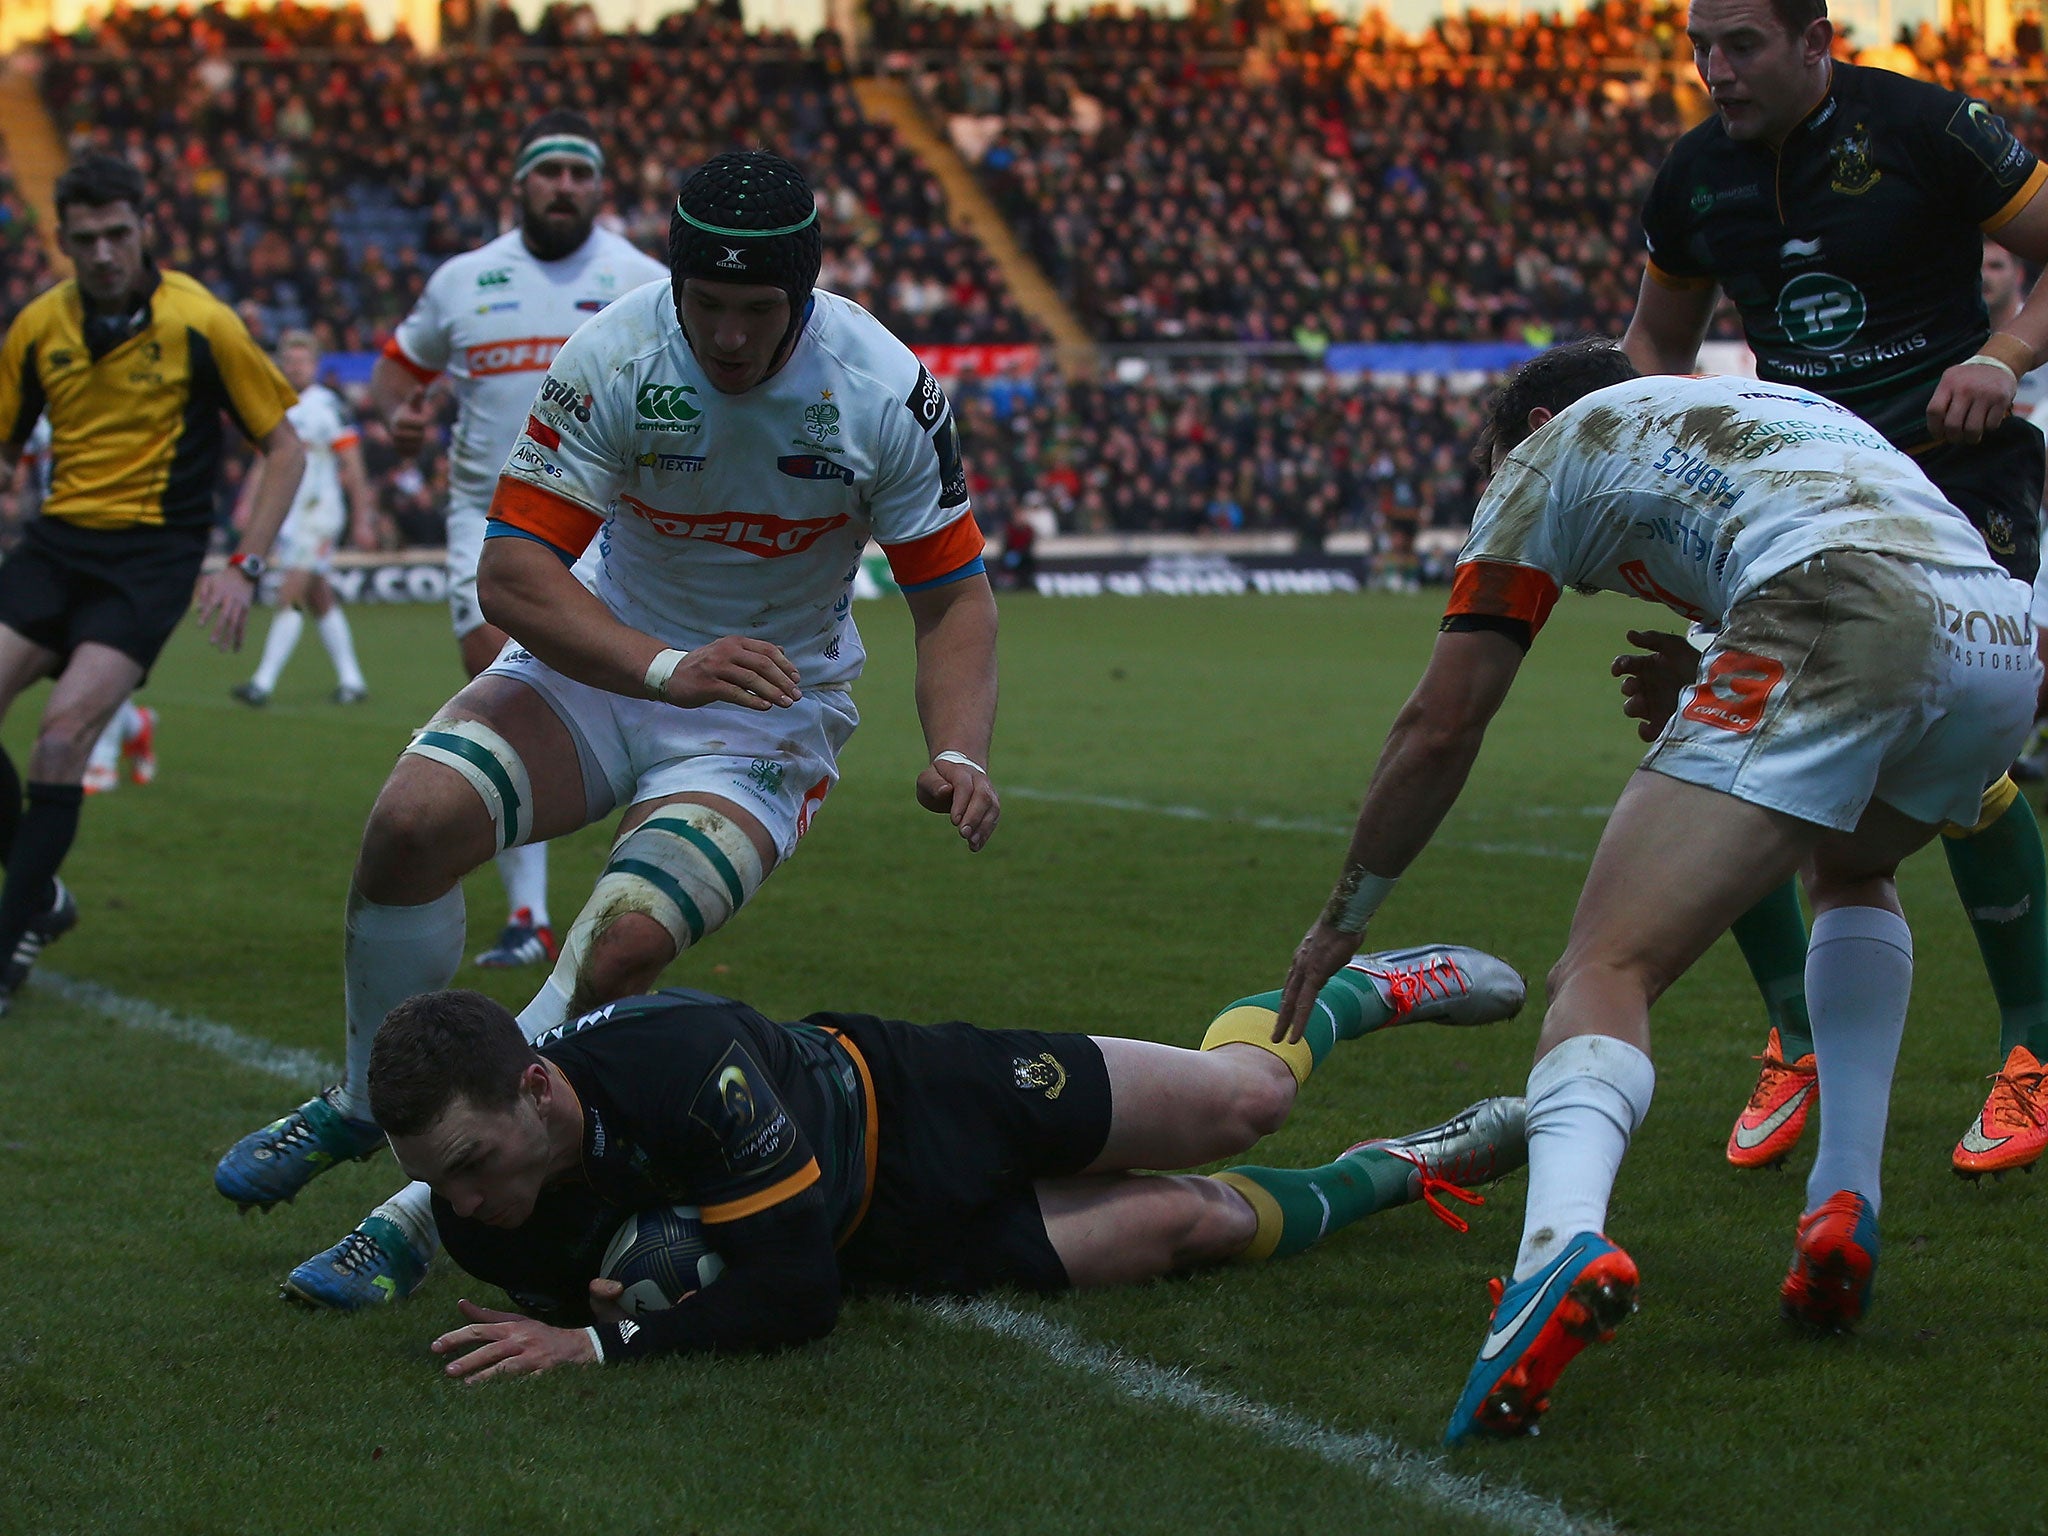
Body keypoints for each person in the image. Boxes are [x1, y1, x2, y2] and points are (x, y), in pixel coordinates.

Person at [216, 150, 1004, 1314]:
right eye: (707, 306)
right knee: (410, 823)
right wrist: (665, 666)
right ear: (675, 284)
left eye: (757, 311)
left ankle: (411, 1216)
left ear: (805, 293)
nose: (728, 337)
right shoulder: (616, 353)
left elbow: (954, 600)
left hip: (764, 720)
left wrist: (958, 749)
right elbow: (515, 572)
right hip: (608, 663)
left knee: (620, 952)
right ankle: (354, 1097)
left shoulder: (886, 390)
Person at [1275, 343, 2039, 1444]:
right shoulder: (1737, 405)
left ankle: (1554, 1252)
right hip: (1994, 636)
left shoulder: (1550, 451)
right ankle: (1841, 1204)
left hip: (1839, 599)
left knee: (1604, 966)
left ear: (1534, 420)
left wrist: (1340, 918)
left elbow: (1440, 724)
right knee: (1852, 868)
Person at [366, 943, 1530, 1378]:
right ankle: (1400, 1164)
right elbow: (760, 1285)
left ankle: (1366, 986)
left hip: (916, 1099)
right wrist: (615, 1299)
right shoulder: (481, 1215)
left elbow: (789, 1295)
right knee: (1196, 1224)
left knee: (1244, 1101)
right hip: (887, 1237)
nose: (460, 1204)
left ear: (534, 1086)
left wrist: (600, 1340)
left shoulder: (682, 1060)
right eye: (438, 1178)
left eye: (468, 1161)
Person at [1621, 0, 2048, 1177]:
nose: (1714, 70)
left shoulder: (1923, 126)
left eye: (1741, 45)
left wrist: (1999, 356)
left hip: (1960, 482)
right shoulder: (1693, 179)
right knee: (1715, 740)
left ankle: (2034, 1052)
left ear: (1815, 41)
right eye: (1699, 46)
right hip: (1800, 510)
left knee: (1959, 759)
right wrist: (1676, 489)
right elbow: (1650, 349)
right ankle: (1796, 1036)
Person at [364, 110, 669, 969]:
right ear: (520, 184)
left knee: (617, 702)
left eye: (580, 171)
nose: (565, 185)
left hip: (610, 526)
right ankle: (532, 916)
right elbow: (398, 367)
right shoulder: (464, 280)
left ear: (601, 186)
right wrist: (400, 413)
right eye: (550, 172)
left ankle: (620, 875)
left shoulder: (642, 280)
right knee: (497, 670)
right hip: (487, 520)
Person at [0, 152, 302, 1012]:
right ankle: (41, 895)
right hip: (54, 544)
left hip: (150, 557)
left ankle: (6, 941)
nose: (101, 254)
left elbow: (283, 447)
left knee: (61, 740)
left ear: (146, 230)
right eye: (85, 239)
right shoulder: (35, 328)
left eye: (117, 235)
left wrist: (244, 565)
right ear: (61, 239)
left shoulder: (201, 322)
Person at [231, 332, 374, 706]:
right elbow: (264, 461)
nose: (295, 367)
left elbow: (353, 465)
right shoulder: (277, 407)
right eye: (289, 361)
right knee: (318, 595)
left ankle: (262, 683)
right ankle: (352, 681)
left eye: (302, 361)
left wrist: (363, 517)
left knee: (289, 593)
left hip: (319, 513)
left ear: (315, 365)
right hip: (292, 516)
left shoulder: (329, 406)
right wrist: (247, 502)